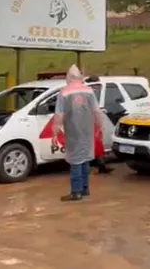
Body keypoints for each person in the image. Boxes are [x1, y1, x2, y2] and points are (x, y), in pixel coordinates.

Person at [52, 65, 102, 201]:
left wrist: (55, 133)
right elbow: (97, 111)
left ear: (69, 77)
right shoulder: (89, 91)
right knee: (85, 159)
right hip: (87, 131)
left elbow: (59, 115)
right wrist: (100, 128)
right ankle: (85, 189)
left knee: (75, 161)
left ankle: (76, 192)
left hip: (73, 131)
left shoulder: (64, 92)